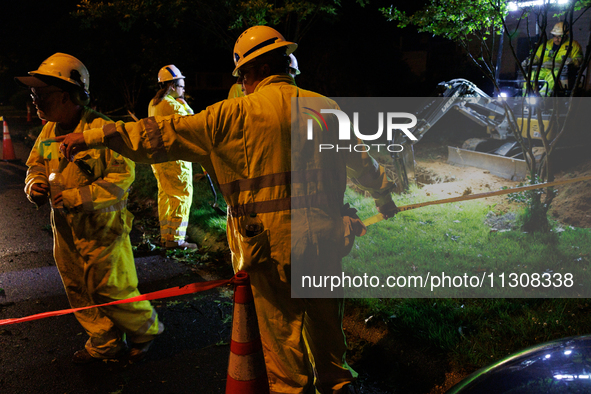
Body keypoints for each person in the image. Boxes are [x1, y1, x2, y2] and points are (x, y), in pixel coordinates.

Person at [58, 26, 398, 393]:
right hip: (327, 239)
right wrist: (384, 197)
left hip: (270, 249)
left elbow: (156, 137)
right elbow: (365, 165)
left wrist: (93, 135)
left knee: (284, 343)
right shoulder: (326, 107)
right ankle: (338, 384)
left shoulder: (228, 115)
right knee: (327, 325)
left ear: (248, 73)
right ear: (286, 64)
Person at [18, 53, 164, 364]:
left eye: (40, 94)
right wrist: (35, 185)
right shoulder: (49, 130)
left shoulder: (102, 130)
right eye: (33, 94)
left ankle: (145, 331)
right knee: (77, 289)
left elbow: (122, 178)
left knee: (112, 289)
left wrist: (74, 198)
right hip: (66, 230)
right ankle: (105, 344)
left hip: (102, 230)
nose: (34, 100)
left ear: (67, 95)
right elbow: (35, 165)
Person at [148, 65, 197, 249]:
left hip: (159, 159)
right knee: (181, 196)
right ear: (172, 85)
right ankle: (176, 240)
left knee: (166, 196)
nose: (183, 90)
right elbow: (192, 122)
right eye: (182, 86)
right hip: (174, 159)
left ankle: (166, 236)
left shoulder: (153, 103)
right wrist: (186, 104)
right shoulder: (172, 104)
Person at [522, 21, 583, 96]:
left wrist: (572, 61)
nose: (556, 39)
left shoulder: (573, 45)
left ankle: (542, 99)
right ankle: (524, 98)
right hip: (544, 69)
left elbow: (579, 59)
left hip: (559, 71)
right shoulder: (546, 44)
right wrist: (529, 61)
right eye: (554, 36)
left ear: (566, 35)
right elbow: (536, 57)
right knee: (530, 76)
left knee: (552, 77)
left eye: (560, 36)